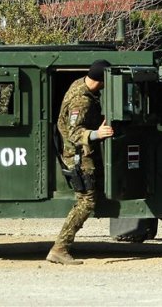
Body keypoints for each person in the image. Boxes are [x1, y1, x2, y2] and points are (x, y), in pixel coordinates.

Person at [47, 59, 114, 265]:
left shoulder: (81, 84)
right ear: (101, 81)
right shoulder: (81, 100)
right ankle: (60, 248)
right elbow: (75, 133)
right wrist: (97, 133)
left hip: (83, 152)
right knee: (87, 201)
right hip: (77, 154)